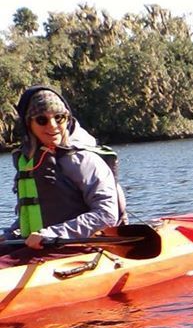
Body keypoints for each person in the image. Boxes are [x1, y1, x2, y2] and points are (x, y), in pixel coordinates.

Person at [4, 85, 126, 266]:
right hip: (43, 243)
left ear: (67, 119)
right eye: (42, 120)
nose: (53, 126)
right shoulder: (31, 160)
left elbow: (106, 214)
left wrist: (53, 233)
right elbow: (38, 212)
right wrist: (9, 234)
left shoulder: (83, 160)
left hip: (80, 244)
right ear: (29, 124)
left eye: (59, 117)